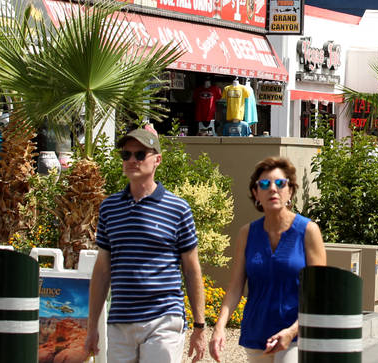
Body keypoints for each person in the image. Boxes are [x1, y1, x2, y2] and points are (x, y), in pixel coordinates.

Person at [85, 127, 207, 363]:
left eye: (140, 155)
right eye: (126, 155)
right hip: (120, 321)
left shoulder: (178, 209)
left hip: (163, 319)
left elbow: (192, 269)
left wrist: (199, 326)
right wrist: (92, 327)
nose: (132, 160)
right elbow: (102, 270)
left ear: (157, 160)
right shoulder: (110, 208)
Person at [210, 157, 327, 362]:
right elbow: (236, 286)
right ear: (256, 194)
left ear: (290, 191)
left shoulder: (308, 231)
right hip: (257, 334)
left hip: (297, 335)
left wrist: (292, 331)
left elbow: (319, 293)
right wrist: (219, 327)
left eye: (280, 183)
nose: (273, 189)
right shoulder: (247, 233)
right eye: (264, 184)